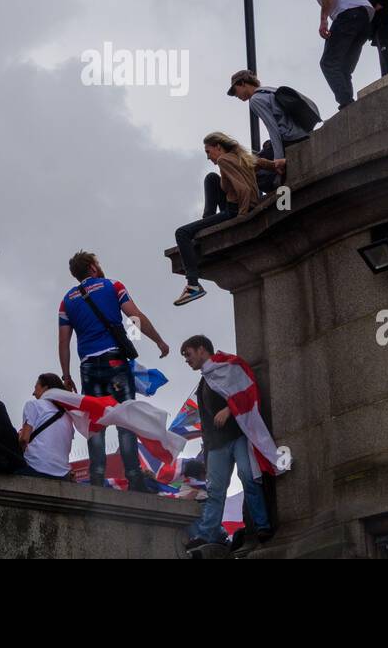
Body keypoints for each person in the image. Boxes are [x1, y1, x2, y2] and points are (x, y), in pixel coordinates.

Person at [58, 251, 168, 492]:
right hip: (115, 361)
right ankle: (134, 479)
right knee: (125, 419)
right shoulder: (113, 286)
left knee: (95, 422)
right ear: (93, 267)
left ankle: (96, 480)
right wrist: (158, 340)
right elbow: (135, 317)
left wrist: (66, 376)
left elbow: (63, 342)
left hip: (88, 367)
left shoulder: (67, 301)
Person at [179, 335, 272, 553]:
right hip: (217, 445)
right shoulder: (203, 381)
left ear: (202, 349)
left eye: (188, 354)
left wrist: (229, 409)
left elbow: (247, 391)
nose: (186, 360)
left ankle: (262, 525)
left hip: (237, 436)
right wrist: (208, 449)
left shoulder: (227, 366)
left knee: (249, 478)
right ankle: (207, 534)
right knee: (215, 491)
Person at [174, 132, 264, 307]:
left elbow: (243, 190)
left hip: (234, 211)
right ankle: (205, 225)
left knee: (182, 233)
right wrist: (277, 165)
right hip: (234, 206)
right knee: (211, 178)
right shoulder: (240, 156)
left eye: (208, 152)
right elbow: (261, 163)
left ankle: (192, 285)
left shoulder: (224, 161)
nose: (208, 157)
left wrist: (242, 218)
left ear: (218, 147)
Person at [287, 0, 373, 109]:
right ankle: (349, 104)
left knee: (328, 63)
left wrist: (323, 20)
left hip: (348, 16)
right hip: (363, 21)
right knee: (343, 68)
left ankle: (346, 103)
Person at [225, 71, 309, 191]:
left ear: (243, 83)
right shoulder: (269, 91)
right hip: (300, 134)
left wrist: (278, 158)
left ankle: (273, 183)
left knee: (249, 165)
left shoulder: (255, 100)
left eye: (235, 90)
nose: (235, 95)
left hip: (289, 139)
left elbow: (272, 127)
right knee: (265, 148)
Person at [16, 372, 75, 481]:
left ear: (46, 388)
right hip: (63, 474)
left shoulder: (33, 405)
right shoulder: (68, 416)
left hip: (35, 468)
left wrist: (19, 437)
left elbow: (24, 440)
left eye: (36, 388)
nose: (33, 393)